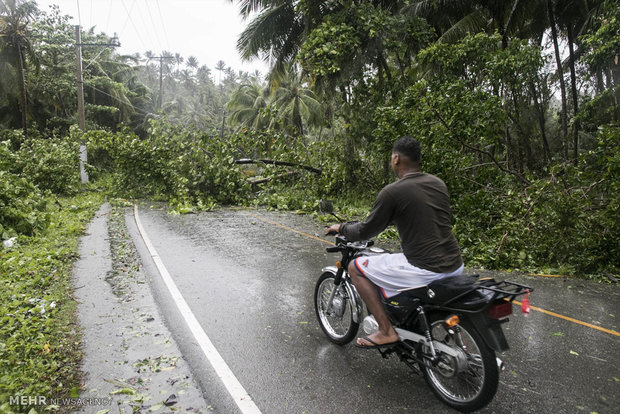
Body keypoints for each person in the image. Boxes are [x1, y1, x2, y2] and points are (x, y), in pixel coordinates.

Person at [326, 136, 463, 348]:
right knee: (391, 259)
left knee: (355, 267)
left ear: (396, 158)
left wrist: (341, 227)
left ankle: (386, 330)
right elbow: (423, 216)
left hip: (425, 267)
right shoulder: (437, 183)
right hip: (455, 264)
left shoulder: (393, 192)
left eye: (392, 157)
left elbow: (364, 231)